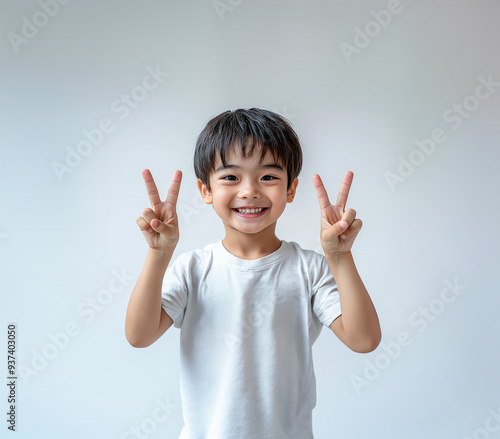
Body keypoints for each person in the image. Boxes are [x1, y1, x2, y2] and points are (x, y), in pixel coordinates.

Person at [125, 108, 381, 439]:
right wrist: (159, 255)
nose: (249, 191)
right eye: (231, 177)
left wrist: (340, 258)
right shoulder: (193, 268)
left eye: (268, 177)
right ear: (205, 191)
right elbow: (139, 335)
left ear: (290, 190)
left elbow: (364, 340)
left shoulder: (309, 269)